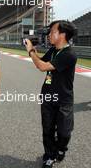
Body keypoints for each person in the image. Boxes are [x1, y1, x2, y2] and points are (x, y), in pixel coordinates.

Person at [24, 20, 77, 168]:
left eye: (52, 31)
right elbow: (40, 61)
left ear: (63, 34)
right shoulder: (53, 50)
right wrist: (33, 51)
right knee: (47, 129)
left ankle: (61, 148)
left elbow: (42, 66)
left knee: (64, 132)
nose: (49, 34)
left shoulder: (69, 54)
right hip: (47, 96)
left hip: (64, 99)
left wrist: (30, 51)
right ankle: (49, 155)